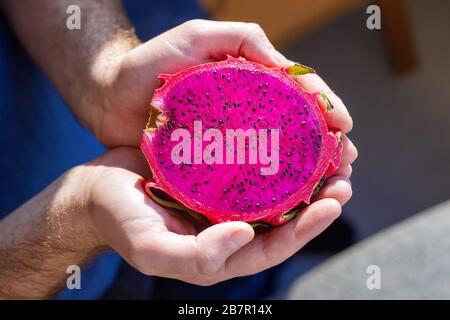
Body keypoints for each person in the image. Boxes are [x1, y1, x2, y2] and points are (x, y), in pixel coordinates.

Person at [0, 0, 357, 299]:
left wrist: (106, 74)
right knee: (201, 266)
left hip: (69, 48)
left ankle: (257, 276)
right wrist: (83, 215)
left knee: (230, 262)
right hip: (52, 268)